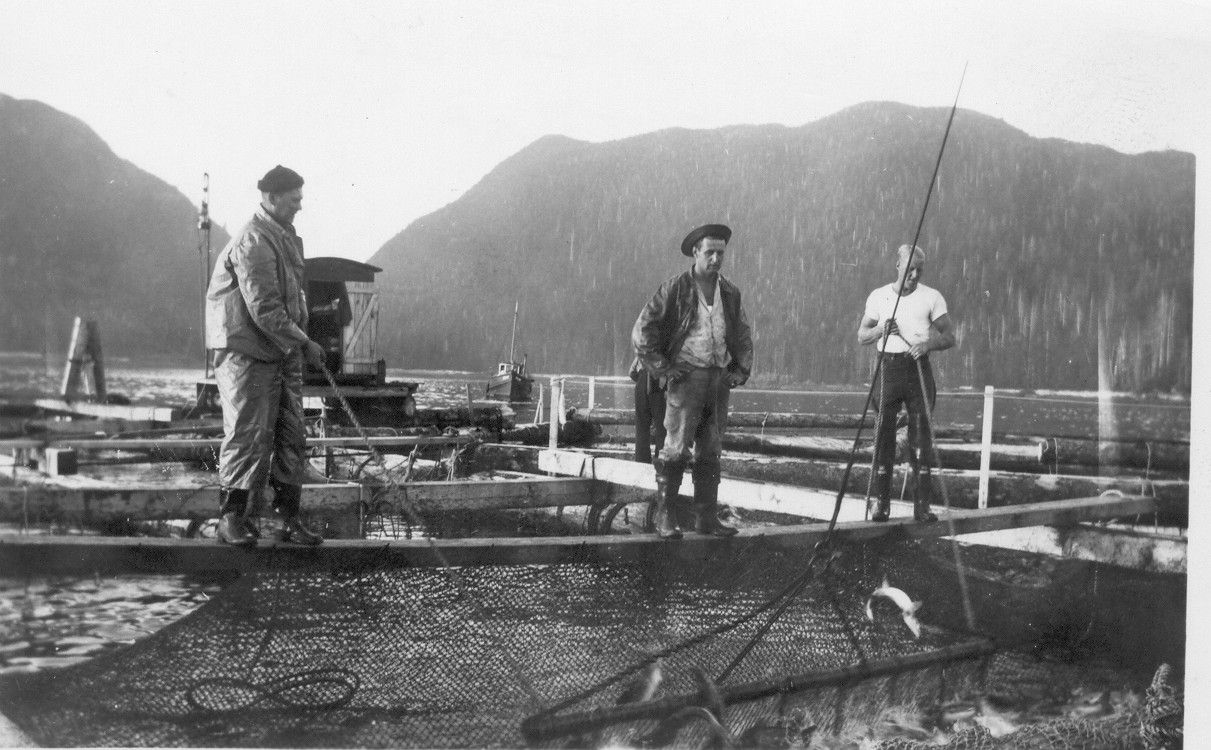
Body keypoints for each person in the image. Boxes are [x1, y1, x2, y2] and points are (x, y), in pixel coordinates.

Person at [205, 165, 326, 546]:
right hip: (246, 352)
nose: (299, 207)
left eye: (301, 200)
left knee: (293, 435)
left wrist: (296, 342)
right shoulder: (253, 240)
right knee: (248, 433)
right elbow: (265, 308)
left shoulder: (285, 238)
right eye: (294, 200)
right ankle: (231, 519)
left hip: (281, 350)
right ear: (272, 198)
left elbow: (289, 304)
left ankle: (289, 518)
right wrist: (305, 342)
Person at [632, 224, 753, 539]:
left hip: (717, 381)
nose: (716, 259)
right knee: (675, 449)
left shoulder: (730, 292)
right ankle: (665, 517)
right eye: (709, 252)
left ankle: (706, 518)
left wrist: (739, 370)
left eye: (721, 253)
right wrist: (662, 367)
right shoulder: (676, 288)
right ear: (696, 253)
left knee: (711, 449)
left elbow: (741, 334)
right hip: (686, 379)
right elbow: (643, 329)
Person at [857, 243, 956, 523]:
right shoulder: (879, 296)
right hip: (888, 368)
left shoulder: (932, 297)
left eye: (919, 270)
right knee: (883, 438)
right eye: (910, 269)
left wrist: (927, 345)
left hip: (917, 369)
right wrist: (879, 330)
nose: (914, 275)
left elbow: (949, 336)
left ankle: (921, 507)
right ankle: (881, 506)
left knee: (921, 439)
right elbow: (861, 335)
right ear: (898, 266)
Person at [629, 356, 666, 464]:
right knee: (662, 426)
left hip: (642, 383)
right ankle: (661, 460)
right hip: (659, 386)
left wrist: (642, 381)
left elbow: (631, 372)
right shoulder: (665, 350)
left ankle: (642, 460)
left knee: (641, 426)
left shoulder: (643, 351)